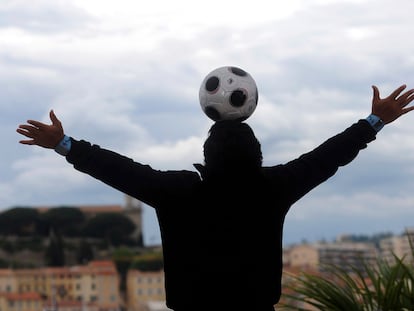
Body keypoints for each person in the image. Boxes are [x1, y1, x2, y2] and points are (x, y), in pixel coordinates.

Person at [17, 83, 414, 311]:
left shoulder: (177, 191)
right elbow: (328, 156)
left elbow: (117, 167)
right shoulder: (274, 187)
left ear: (206, 156)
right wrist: (375, 121)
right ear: (258, 154)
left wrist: (64, 143)